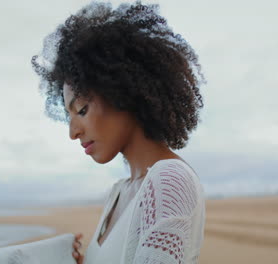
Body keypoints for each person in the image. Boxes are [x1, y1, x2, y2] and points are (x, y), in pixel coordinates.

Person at [32, 1, 206, 263]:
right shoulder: (119, 192)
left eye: (81, 109)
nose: (73, 132)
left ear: (123, 92)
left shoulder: (167, 181)